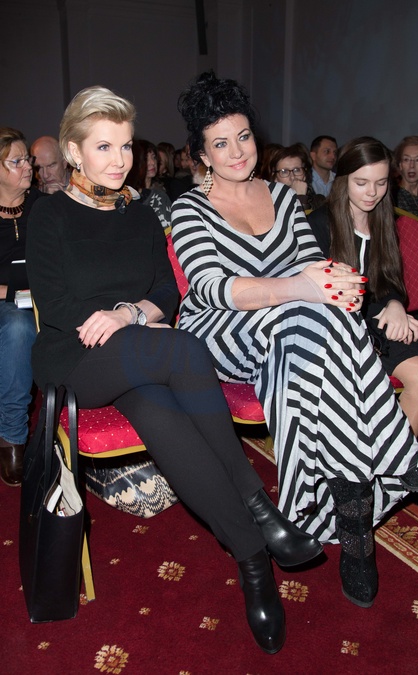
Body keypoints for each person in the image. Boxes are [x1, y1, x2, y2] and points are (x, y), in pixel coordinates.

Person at [26, 85, 327, 656]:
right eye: (103, 147)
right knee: (183, 347)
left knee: (163, 417)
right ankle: (261, 507)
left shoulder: (141, 212)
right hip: (77, 356)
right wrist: (124, 321)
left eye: (125, 146)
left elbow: (166, 291)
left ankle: (254, 561)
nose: (120, 160)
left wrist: (131, 313)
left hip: (137, 351)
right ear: (73, 152)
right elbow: (56, 304)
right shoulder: (50, 214)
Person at [170, 71, 418, 610]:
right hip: (221, 330)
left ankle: (348, 519)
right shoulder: (190, 206)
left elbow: (311, 266)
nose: (237, 151)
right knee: (306, 315)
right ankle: (397, 454)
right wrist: (303, 287)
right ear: (201, 154)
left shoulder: (280, 194)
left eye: (243, 136)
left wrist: (335, 284)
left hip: (294, 331)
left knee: (318, 319)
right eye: (220, 144)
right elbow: (211, 287)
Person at [307, 137, 418, 509]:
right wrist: (384, 309)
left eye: (381, 182)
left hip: (381, 318)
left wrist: (397, 304)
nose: (372, 192)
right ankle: (389, 476)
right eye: (362, 182)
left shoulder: (383, 217)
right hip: (342, 328)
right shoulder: (320, 223)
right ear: (343, 180)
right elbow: (315, 295)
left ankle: (417, 458)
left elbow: (390, 279)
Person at [0, 127, 45, 486]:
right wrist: (9, 293)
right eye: (16, 162)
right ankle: (13, 435)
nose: (28, 166)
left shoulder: (42, 206)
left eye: (27, 160)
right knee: (18, 325)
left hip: (43, 298)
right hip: (4, 304)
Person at [126, 139, 172, 230]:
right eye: (146, 158)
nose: (152, 163)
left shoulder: (160, 195)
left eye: (154, 157)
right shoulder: (126, 194)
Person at [269, 144, 325, 211]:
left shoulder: (318, 202)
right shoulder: (269, 203)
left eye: (297, 170)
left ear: (304, 174)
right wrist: (300, 198)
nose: (292, 177)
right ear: (275, 177)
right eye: (284, 171)